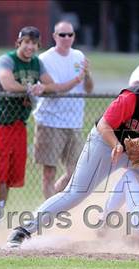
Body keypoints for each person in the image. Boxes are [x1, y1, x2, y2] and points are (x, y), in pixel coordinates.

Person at [7, 59, 139, 247]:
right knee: (76, 192)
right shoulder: (134, 97)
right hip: (105, 143)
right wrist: (117, 145)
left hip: (137, 152)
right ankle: (23, 231)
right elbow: (104, 125)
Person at [0, 26, 75, 214]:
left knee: (11, 174)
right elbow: (7, 83)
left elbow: (51, 85)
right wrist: (31, 88)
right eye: (26, 42)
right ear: (19, 43)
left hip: (19, 123)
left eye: (34, 43)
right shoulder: (7, 60)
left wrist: (41, 88)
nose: (30, 47)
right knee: (0, 173)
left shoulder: (36, 64)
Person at [33, 21, 94, 199]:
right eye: (62, 35)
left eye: (70, 34)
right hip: (50, 121)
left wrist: (87, 74)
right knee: (49, 173)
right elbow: (53, 88)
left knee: (78, 172)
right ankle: (48, 216)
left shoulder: (79, 56)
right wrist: (77, 79)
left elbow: (88, 89)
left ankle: (54, 203)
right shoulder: (44, 59)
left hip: (74, 122)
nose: (66, 38)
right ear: (54, 37)